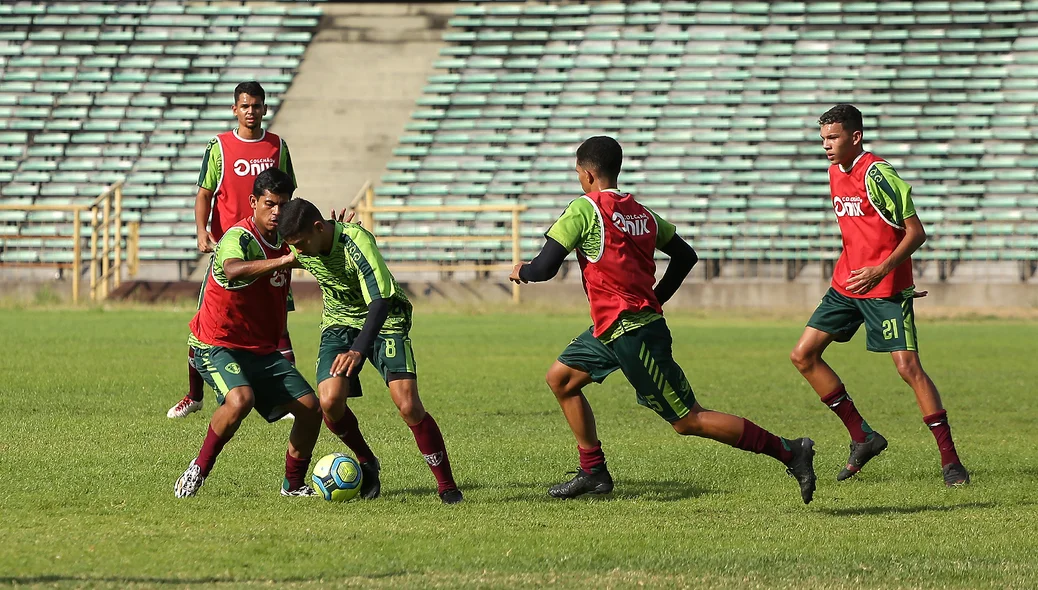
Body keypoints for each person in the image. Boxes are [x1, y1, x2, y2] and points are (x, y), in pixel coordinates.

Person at [510, 136, 817, 503]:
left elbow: (544, 268)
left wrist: (521, 271)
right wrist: (657, 297)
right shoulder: (640, 212)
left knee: (688, 420)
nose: (579, 179)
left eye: (578, 173)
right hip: (613, 329)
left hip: (632, 333)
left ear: (589, 174)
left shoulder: (584, 209)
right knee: (561, 379)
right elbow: (685, 255)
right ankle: (593, 472)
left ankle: (790, 451)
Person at [790, 104, 968, 486]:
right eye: (822, 138)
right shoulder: (834, 172)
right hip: (847, 285)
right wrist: (860, 270)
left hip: (882, 288)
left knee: (908, 368)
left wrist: (884, 272)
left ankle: (951, 462)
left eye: (833, 137)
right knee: (803, 355)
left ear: (855, 137)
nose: (826, 145)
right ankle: (863, 436)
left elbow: (915, 232)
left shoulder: (878, 174)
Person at [276, 198, 463, 504]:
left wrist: (358, 352)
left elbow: (380, 302)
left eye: (300, 243)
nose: (298, 251)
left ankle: (447, 486)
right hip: (339, 324)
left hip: (386, 321)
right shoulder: (303, 245)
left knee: (408, 405)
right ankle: (366, 461)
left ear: (318, 228)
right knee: (330, 401)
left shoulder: (356, 242)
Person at [175, 168, 322, 498]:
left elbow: (319, 245)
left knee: (311, 409)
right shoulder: (237, 238)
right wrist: (283, 262)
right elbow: (233, 269)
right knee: (241, 400)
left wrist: (336, 231)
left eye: (283, 205)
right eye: (270, 204)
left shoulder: (288, 240)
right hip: (216, 343)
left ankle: (294, 486)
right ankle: (198, 468)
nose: (277, 212)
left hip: (261, 350)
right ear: (253, 202)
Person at [168, 81, 299, 419]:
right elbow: (204, 194)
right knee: (204, 324)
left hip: (269, 247)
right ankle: (194, 395)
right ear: (235, 109)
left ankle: (285, 398)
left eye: (256, 106)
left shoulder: (277, 146)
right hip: (232, 252)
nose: (251, 112)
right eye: (245, 106)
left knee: (278, 322)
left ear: (264, 109)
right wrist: (201, 230)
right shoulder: (220, 146)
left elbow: (288, 195)